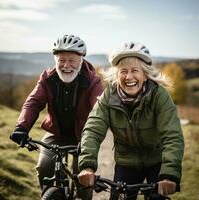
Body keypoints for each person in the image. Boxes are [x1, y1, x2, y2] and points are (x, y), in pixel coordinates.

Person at [78, 41, 184, 200]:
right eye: (123, 71)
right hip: (126, 163)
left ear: (145, 74)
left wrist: (169, 174)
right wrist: (87, 166)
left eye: (135, 70)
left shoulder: (159, 96)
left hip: (157, 162)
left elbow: (172, 135)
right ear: (116, 74)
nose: (129, 77)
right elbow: (93, 129)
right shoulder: (109, 96)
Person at [10, 33, 103, 200]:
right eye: (61, 60)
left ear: (80, 60)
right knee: (44, 167)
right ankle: (50, 196)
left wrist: (93, 137)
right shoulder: (48, 78)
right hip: (56, 133)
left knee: (82, 177)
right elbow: (33, 102)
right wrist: (21, 127)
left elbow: (100, 110)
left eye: (71, 60)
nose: (66, 65)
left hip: (84, 136)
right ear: (56, 61)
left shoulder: (92, 81)